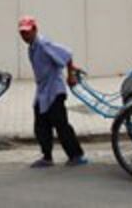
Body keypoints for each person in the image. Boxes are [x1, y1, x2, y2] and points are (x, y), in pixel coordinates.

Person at [17, 15, 87, 168]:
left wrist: (71, 76)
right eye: (22, 33)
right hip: (43, 90)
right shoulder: (33, 47)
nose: (24, 35)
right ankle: (47, 157)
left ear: (35, 29)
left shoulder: (43, 43)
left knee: (60, 124)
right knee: (41, 124)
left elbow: (66, 54)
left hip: (54, 90)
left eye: (27, 32)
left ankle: (76, 155)